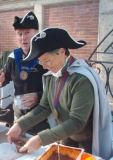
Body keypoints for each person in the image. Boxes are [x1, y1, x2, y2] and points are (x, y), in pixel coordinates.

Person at [6, 28, 113, 159]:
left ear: (61, 52)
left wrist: (40, 139)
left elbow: (77, 122)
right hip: (65, 136)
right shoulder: (52, 76)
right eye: (41, 62)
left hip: (86, 141)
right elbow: (45, 107)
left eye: (47, 60)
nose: (44, 67)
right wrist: (20, 125)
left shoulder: (81, 79)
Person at [0, 11, 50, 135]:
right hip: (19, 112)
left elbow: (57, 87)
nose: (23, 38)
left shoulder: (46, 56)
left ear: (36, 34)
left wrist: (39, 96)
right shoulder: (13, 57)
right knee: (19, 144)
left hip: (41, 115)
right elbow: (4, 76)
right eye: (19, 34)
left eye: (27, 33)